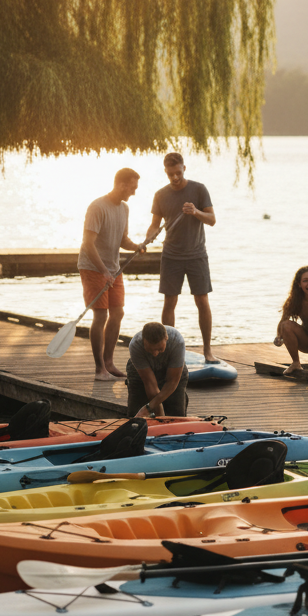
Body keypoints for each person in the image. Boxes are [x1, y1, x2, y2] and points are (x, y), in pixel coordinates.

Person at [144, 152, 220, 362]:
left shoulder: (198, 189)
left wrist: (196, 212)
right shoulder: (160, 195)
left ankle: (207, 351)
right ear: (166, 172)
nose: (175, 177)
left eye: (178, 173)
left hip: (197, 255)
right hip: (171, 256)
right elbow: (154, 225)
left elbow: (212, 219)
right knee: (170, 302)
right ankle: (167, 351)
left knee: (202, 301)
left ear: (184, 168)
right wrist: (149, 237)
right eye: (171, 174)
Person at [76, 168, 146, 381]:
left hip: (113, 270)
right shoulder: (97, 207)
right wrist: (104, 271)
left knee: (118, 313)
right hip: (92, 268)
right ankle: (99, 370)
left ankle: (108, 363)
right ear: (122, 184)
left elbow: (122, 239)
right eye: (132, 187)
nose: (134, 192)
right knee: (101, 315)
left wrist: (136, 246)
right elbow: (88, 244)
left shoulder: (124, 208)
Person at [126, 321, 188, 418]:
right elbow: (150, 384)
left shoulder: (177, 341)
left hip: (171, 370)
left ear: (166, 338)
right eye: (150, 350)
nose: (155, 354)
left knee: (176, 413)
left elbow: (171, 382)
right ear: (144, 341)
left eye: (159, 349)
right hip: (141, 374)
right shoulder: (135, 345)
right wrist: (159, 415)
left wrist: (148, 408)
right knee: (136, 413)